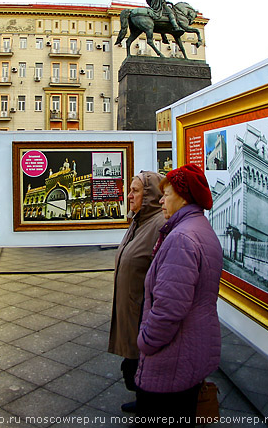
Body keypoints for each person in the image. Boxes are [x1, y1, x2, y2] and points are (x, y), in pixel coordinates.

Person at [133, 164, 223, 427]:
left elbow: (169, 309)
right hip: (190, 348)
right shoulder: (199, 228)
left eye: (168, 194)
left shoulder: (182, 237)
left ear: (184, 197)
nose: (161, 200)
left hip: (172, 356)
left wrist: (146, 341)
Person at [108, 171, 165, 412]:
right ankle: (143, 401)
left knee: (144, 363)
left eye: (136, 191)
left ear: (150, 195)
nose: (129, 195)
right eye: (129, 190)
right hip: (131, 308)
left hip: (143, 312)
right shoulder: (138, 221)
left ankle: (149, 410)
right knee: (134, 363)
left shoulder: (160, 225)